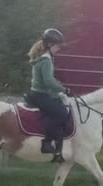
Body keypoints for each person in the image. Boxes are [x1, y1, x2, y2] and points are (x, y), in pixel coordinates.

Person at [26, 28, 71, 162]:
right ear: (50, 45)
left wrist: (59, 87)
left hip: (39, 93)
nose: (59, 49)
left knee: (60, 107)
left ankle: (58, 148)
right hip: (41, 95)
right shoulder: (46, 60)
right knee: (62, 113)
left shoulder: (43, 58)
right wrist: (64, 89)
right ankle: (47, 142)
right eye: (58, 46)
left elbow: (50, 80)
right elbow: (49, 81)